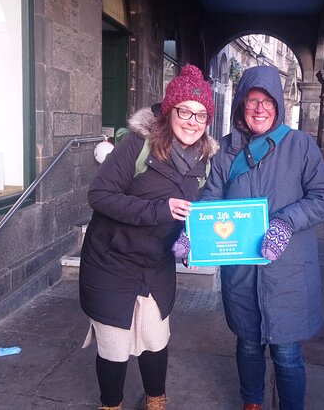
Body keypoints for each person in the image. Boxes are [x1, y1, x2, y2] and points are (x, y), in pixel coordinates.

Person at [173, 66, 324, 410]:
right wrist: (193, 237)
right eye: (252, 100)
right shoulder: (225, 151)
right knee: (247, 344)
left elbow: (323, 197)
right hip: (242, 269)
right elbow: (211, 199)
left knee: (287, 352)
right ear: (241, 105)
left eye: (267, 101)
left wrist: (285, 222)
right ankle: (252, 403)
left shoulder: (301, 146)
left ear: (277, 104)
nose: (259, 108)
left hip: (287, 270)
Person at [79, 64, 218, 410]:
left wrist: (191, 239)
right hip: (111, 261)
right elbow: (99, 195)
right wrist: (158, 210)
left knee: (156, 340)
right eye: (184, 111)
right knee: (113, 345)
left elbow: (195, 213)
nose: (192, 121)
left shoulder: (205, 159)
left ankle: (156, 401)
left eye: (201, 115)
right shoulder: (137, 145)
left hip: (155, 264)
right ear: (170, 111)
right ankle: (111, 405)